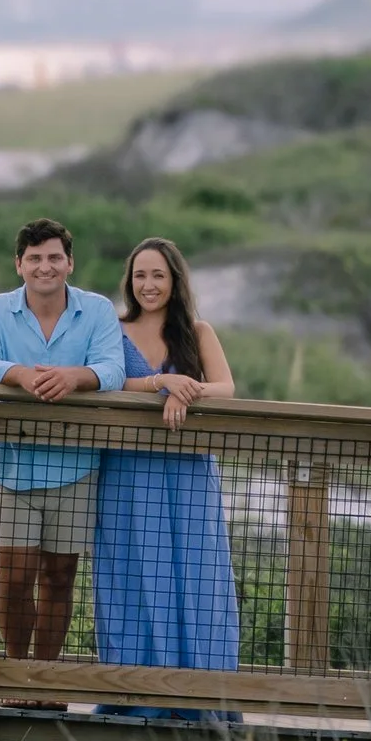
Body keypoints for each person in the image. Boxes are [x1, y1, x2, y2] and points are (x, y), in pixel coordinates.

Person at [0, 220, 125, 660]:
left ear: (70, 263)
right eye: (34, 258)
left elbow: (113, 369)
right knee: (14, 577)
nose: (44, 267)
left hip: (77, 467)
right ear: (19, 265)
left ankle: (46, 678)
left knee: (59, 576)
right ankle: (16, 671)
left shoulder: (98, 311)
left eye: (54, 257)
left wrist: (76, 377)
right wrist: (19, 374)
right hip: (12, 468)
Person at [94, 237, 243, 693]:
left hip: (188, 471)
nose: (148, 284)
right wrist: (162, 382)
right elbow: (108, 383)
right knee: (130, 569)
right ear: (129, 281)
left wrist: (185, 389)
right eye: (140, 275)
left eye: (158, 275)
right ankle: (133, 690)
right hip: (128, 470)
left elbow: (226, 388)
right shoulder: (112, 329)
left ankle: (200, 690)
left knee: (196, 570)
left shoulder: (198, 332)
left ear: (175, 280)